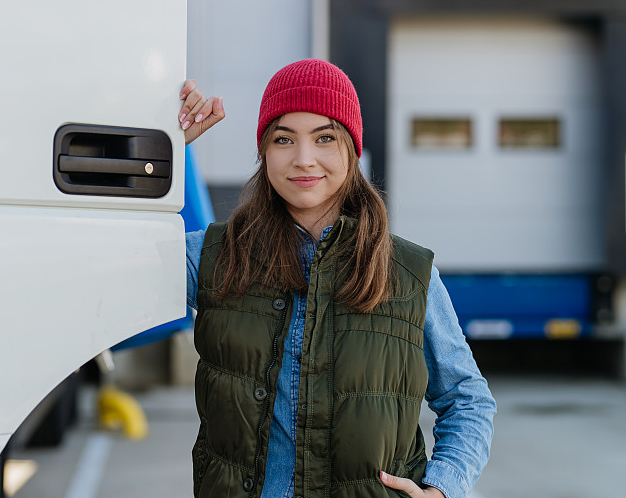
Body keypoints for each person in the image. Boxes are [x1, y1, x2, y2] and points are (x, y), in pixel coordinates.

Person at [177, 59, 495, 498]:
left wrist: (442, 488)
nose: (303, 159)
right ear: (264, 151)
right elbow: (103, 264)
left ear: (351, 147)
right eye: (283, 138)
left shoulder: (408, 273)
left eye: (324, 137)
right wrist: (170, 151)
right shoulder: (212, 257)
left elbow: (467, 400)